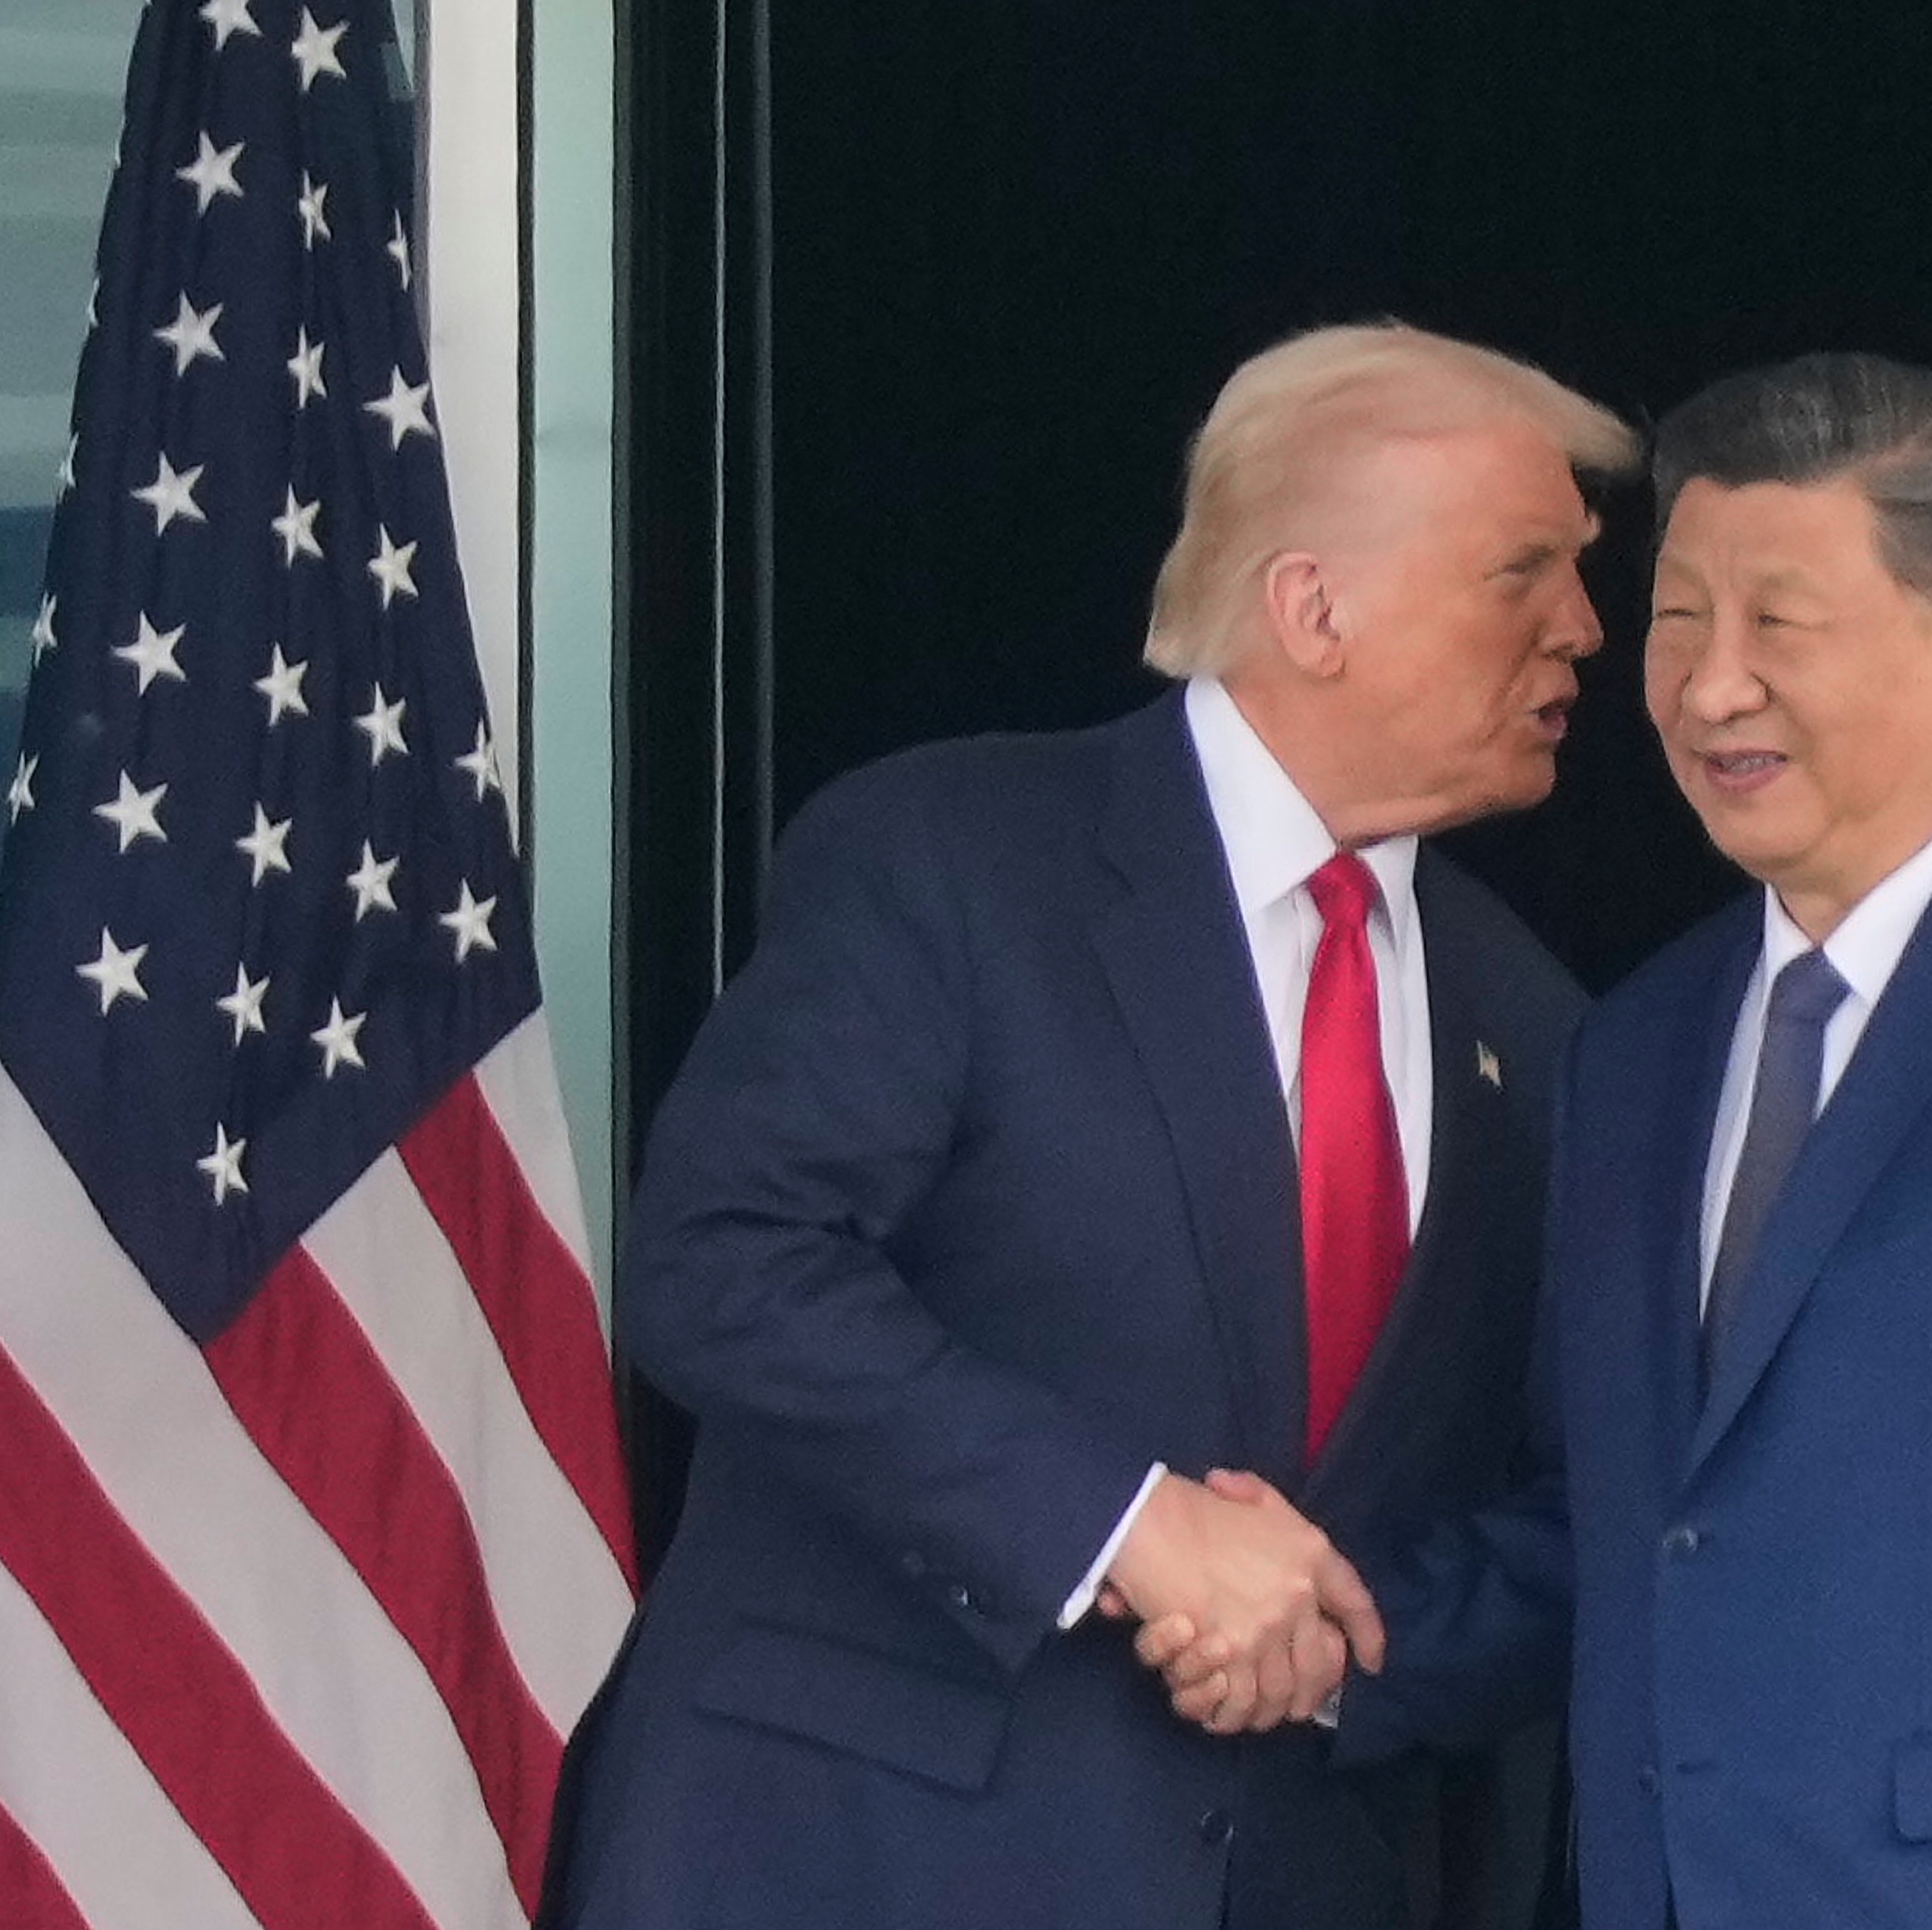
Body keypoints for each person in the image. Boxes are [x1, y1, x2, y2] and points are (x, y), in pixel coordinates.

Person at [1161, 351, 1932, 1930]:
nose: (1704, 683)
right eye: (1678, 617)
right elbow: (1619, 1528)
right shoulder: (1626, 1046)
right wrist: (1325, 1642)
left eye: (1777, 622)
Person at [542, 321, 1637, 1930]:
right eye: (1522, 570)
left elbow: (1576, 1496)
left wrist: (1332, 1651)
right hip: (854, 1858)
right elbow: (719, 1263)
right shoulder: (956, 857)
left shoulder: (1537, 1018)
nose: (1585, 630)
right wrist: (1129, 1527)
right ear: (1312, 606)